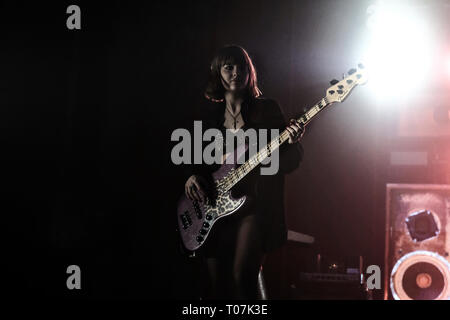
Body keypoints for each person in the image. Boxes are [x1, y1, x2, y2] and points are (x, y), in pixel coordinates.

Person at [182, 45, 304, 299]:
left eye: (241, 67)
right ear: (218, 72)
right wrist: (191, 176)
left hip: (255, 205)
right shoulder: (209, 117)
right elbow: (194, 160)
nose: (236, 72)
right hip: (214, 207)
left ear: (250, 72)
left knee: (243, 277)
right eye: (228, 67)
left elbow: (288, 163)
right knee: (218, 287)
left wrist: (292, 143)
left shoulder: (267, 109)